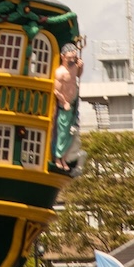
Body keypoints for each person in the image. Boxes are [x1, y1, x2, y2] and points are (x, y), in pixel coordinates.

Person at [51, 43, 84, 172]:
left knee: (71, 132)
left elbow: (78, 76)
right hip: (64, 106)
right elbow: (56, 91)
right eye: (69, 58)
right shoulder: (60, 73)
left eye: (73, 58)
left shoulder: (74, 68)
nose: (72, 60)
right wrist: (64, 102)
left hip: (73, 103)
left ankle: (64, 158)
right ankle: (58, 157)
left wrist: (80, 67)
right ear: (63, 57)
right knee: (62, 132)